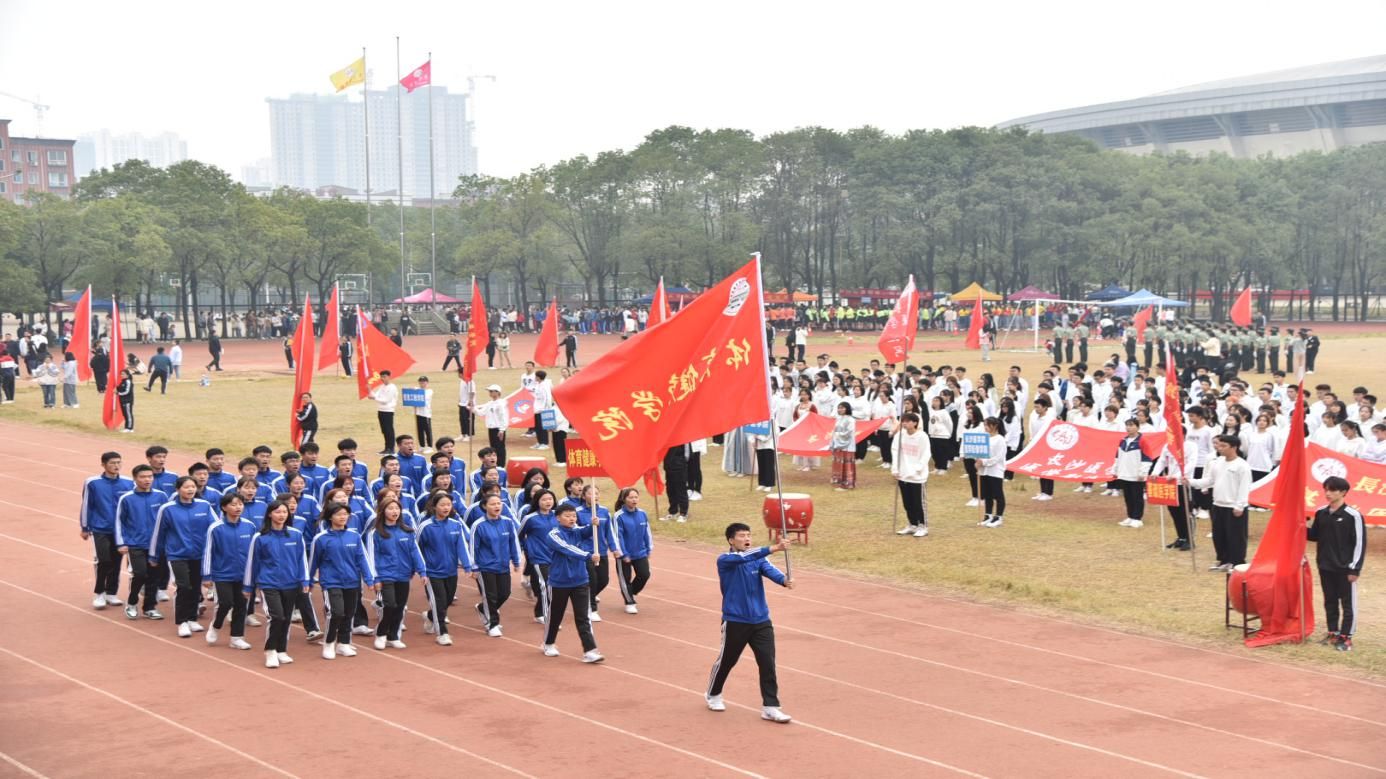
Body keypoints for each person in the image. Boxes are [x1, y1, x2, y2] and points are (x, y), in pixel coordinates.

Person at [705, 523, 794, 723]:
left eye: (749, 535)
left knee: (767, 662)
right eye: (742, 535)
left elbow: (769, 569)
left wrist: (783, 580)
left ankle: (770, 706)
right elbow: (747, 556)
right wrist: (774, 548)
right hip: (735, 620)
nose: (747, 538)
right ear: (730, 540)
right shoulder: (726, 560)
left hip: (761, 619)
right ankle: (713, 693)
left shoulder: (758, 559)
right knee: (727, 660)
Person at [244, 499, 311, 668]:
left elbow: (301, 559)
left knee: (286, 618)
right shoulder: (260, 537)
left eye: (284, 512)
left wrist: (304, 580)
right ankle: (270, 650)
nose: (281, 515)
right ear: (269, 514)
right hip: (269, 584)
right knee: (277, 616)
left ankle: (282, 650)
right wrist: (248, 586)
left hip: (291, 583)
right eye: (277, 512)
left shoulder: (295, 534)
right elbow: (253, 563)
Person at [149, 476, 217, 637]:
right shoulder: (167, 509)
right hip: (177, 554)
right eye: (186, 487)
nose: (191, 490)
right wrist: (154, 555)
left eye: (193, 487)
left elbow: (216, 528)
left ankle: (192, 618)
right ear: (178, 489)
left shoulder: (204, 506)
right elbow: (159, 533)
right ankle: (182, 622)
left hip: (199, 554)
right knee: (184, 586)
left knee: (195, 587)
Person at [310, 503, 378, 660]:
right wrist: (308, 581)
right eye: (339, 514)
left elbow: (362, 559)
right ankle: (329, 642)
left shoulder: (354, 536)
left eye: (345, 514)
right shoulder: (320, 539)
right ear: (330, 517)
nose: (342, 517)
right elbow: (313, 561)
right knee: (336, 612)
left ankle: (343, 643)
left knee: (349, 613)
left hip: (352, 581)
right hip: (331, 582)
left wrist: (369, 579)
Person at [539, 503, 605, 662]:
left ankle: (590, 650)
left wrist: (594, 524)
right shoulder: (553, 535)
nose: (571, 519)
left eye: (574, 516)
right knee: (555, 615)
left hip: (580, 580)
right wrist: (588, 556)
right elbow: (567, 548)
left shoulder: (577, 531)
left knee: (583, 617)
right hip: (559, 582)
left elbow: (587, 531)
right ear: (558, 518)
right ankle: (548, 643)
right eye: (567, 516)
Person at [1307, 476, 1366, 652]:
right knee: (1330, 601)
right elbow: (1314, 536)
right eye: (1326, 489)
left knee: (1348, 604)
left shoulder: (1353, 516)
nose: (1328, 493)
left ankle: (1346, 637)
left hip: (1345, 569)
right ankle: (1333, 632)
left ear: (1343, 492)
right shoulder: (1321, 512)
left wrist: (1354, 568)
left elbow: (1360, 544)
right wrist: (1300, 524)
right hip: (1325, 566)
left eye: (1332, 490)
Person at [366, 496, 426, 650]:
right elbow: (372, 556)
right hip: (385, 575)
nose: (394, 512)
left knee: (400, 607)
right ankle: (381, 633)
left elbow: (415, 552)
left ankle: (393, 636)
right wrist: (375, 578)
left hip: (404, 574)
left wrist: (422, 571)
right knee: (390, 605)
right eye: (390, 508)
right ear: (382, 511)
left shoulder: (407, 531)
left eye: (397, 509)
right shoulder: (375, 533)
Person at [202, 492, 257, 650]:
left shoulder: (249, 526)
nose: (237, 507)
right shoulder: (215, 528)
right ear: (224, 507)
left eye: (240, 504)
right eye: (233, 504)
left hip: (244, 574)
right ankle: (216, 625)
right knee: (225, 603)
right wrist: (206, 575)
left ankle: (236, 637)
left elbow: (255, 551)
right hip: (222, 574)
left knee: (241, 605)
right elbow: (208, 552)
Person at [1190, 434, 1252, 571]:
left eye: (1224, 446)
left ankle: (1237, 562)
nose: (1220, 448)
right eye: (1219, 445)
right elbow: (1209, 480)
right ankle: (1223, 560)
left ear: (1234, 447)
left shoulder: (1242, 466)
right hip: (1218, 504)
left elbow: (1244, 487)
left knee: (1236, 535)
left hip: (1234, 506)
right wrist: (1191, 482)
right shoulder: (1217, 462)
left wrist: (1239, 505)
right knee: (1219, 535)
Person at [81, 452, 135, 610]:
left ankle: (112, 592)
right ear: (103, 465)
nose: (116, 466)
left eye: (119, 462)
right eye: (112, 463)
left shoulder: (128, 482)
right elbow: (86, 505)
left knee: (116, 561)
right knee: (104, 560)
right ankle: (99, 593)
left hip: (120, 530)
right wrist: (85, 527)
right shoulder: (92, 483)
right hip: (100, 528)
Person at [114, 464, 167, 618]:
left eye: (150, 477)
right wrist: (121, 542)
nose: (147, 480)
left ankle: (150, 607)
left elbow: (166, 520)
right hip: (135, 544)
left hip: (156, 545)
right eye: (143, 477)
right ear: (135, 479)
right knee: (140, 573)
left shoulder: (161, 496)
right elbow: (119, 521)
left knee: (154, 576)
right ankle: (131, 602)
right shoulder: (126, 498)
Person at [470, 492, 523, 637]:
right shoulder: (478, 525)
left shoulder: (507, 522)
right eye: (492, 504)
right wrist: (474, 566)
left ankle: (483, 609)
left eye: (499, 503)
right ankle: (491, 624)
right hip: (485, 567)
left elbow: (513, 542)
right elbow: (473, 547)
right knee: (490, 596)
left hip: (503, 565)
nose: (497, 506)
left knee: (505, 593)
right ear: (484, 506)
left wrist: (516, 560)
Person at [890, 412, 931, 537]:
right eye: (903, 421)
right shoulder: (900, 436)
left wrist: (918, 468)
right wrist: (895, 468)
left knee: (918, 503)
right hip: (903, 474)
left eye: (908, 421)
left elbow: (926, 454)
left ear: (914, 423)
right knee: (907, 502)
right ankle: (912, 524)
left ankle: (923, 526)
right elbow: (895, 451)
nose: (905, 423)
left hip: (917, 476)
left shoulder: (922, 436)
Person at [613, 487, 652, 614]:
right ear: (624, 499)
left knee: (644, 574)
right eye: (631, 497)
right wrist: (623, 554)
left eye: (636, 497)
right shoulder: (619, 516)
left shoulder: (642, 513)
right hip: (624, 554)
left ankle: (630, 591)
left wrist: (649, 548)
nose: (634, 500)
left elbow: (647, 532)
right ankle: (629, 602)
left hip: (640, 552)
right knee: (625, 578)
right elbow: (618, 536)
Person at [1114, 419, 1153, 529]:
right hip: (1124, 473)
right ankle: (1130, 516)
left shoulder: (1142, 441)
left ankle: (1137, 518)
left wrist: (1143, 472)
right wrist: (1115, 470)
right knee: (1128, 497)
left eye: (1131, 425)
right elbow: (1118, 457)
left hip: (1136, 475)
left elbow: (1147, 458)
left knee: (1137, 497)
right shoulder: (1122, 441)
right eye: (1127, 426)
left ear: (1137, 427)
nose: (1128, 428)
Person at [978, 416, 1008, 528]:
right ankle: (988, 515)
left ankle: (998, 517)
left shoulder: (1000, 439)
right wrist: (978, 460)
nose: (985, 427)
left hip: (995, 470)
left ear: (994, 426)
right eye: (984, 425)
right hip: (984, 471)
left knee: (997, 494)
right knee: (987, 494)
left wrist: (984, 462)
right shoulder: (985, 437)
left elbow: (998, 457)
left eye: (987, 425)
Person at [478, 384, 508, 465]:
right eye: (489, 391)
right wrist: (472, 408)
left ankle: (501, 464)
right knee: (493, 448)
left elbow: (503, 417)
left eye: (491, 391)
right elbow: (481, 412)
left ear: (497, 393)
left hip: (498, 429)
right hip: (491, 428)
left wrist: (502, 429)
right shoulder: (490, 403)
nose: (490, 393)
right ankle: (494, 463)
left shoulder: (500, 404)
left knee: (500, 448)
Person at [371, 371, 399, 454]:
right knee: (384, 430)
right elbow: (376, 395)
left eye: (384, 376)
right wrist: (370, 390)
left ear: (389, 377)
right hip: (381, 410)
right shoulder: (382, 386)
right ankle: (387, 447)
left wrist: (374, 398)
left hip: (388, 410)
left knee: (388, 430)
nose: (382, 379)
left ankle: (391, 448)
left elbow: (386, 400)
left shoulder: (392, 387)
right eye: (381, 377)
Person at [829, 402, 856, 491]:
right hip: (838, 443)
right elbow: (835, 430)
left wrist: (837, 435)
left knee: (846, 464)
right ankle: (838, 480)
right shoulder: (839, 418)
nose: (839, 410)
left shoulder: (851, 420)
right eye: (838, 408)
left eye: (842, 408)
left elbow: (848, 432)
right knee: (839, 462)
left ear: (847, 409)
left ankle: (847, 483)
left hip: (847, 445)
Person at [414, 376, 435, 451]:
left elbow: (423, 399)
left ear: (427, 382)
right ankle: (422, 445)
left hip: (426, 414)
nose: (422, 383)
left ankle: (430, 446)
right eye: (420, 382)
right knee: (420, 430)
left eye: (424, 382)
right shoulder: (418, 390)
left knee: (427, 431)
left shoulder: (429, 391)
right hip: (418, 413)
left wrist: (416, 392)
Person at [116, 367, 135, 432]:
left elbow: (127, 391)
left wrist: (118, 393)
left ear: (127, 375)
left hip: (127, 401)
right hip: (122, 400)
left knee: (128, 414)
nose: (122, 375)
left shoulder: (128, 381)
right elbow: (120, 388)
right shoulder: (122, 382)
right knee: (125, 414)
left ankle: (130, 428)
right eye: (121, 374)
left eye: (123, 374)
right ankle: (126, 427)